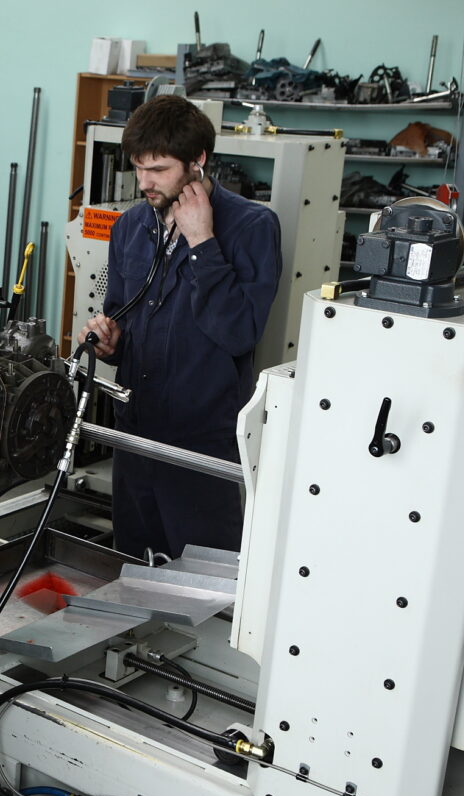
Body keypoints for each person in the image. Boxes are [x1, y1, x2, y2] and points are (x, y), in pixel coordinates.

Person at [82, 95, 281, 559]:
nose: (144, 183)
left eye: (159, 169)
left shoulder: (251, 227)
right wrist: (110, 342)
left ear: (198, 161)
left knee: (203, 578)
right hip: (134, 430)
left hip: (199, 441)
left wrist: (201, 241)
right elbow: (122, 315)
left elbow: (239, 333)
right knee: (134, 563)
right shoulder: (131, 226)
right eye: (138, 168)